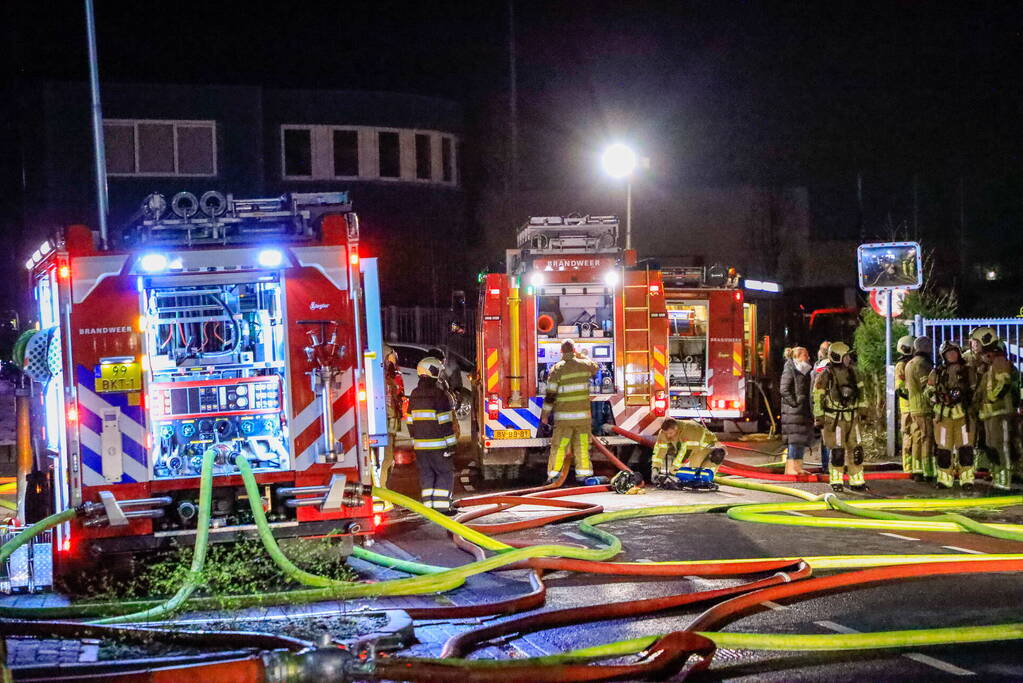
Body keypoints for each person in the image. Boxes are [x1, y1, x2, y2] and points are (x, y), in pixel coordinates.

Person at [540, 339, 598, 483]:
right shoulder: (584, 365)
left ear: (561, 352)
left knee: (560, 446)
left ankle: (554, 476)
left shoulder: (557, 369)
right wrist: (581, 356)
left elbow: (550, 395)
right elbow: (595, 367)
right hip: (583, 419)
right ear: (574, 350)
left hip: (564, 420)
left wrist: (545, 416)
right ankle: (583, 475)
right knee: (582, 445)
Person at [813, 341, 867, 492]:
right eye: (846, 356)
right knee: (837, 451)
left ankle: (857, 480)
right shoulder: (825, 375)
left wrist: (863, 409)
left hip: (853, 416)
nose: (849, 358)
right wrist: (819, 417)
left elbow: (862, 392)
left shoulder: (854, 373)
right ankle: (836, 480)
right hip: (834, 419)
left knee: (856, 450)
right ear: (838, 356)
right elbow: (817, 397)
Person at [406, 356, 458, 513]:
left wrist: (416, 439)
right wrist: (451, 444)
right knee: (445, 473)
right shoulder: (438, 395)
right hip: (439, 446)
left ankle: (428, 509)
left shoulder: (414, 394)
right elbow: (445, 423)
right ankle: (442, 509)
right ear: (434, 372)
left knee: (426, 475)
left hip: (420, 447)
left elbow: (410, 421)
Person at [972, 327, 1020, 491]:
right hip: (990, 414)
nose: (974, 346)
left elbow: (1004, 384)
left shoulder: (999, 362)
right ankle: (997, 478)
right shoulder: (990, 367)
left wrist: (992, 398)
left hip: (999, 413)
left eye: (976, 342)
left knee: (1000, 446)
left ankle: (1003, 481)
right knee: (992, 446)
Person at [927, 340, 976, 490]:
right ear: (943, 355)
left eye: (954, 352)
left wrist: (965, 396)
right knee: (943, 450)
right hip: (943, 416)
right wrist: (939, 397)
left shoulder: (968, 371)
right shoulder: (936, 372)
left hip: (964, 416)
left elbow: (976, 390)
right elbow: (928, 392)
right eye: (948, 353)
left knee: (966, 449)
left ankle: (966, 480)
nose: (952, 355)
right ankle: (944, 479)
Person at [650, 417, 725, 486]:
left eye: (670, 433)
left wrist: (673, 470)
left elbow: (686, 453)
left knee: (693, 470)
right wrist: (655, 468)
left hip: (706, 447)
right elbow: (660, 450)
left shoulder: (690, 429)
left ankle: (707, 479)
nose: (668, 436)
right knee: (687, 472)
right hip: (693, 449)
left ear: (676, 428)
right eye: (666, 433)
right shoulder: (664, 433)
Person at [779, 346, 813, 476]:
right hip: (792, 413)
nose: (808, 357)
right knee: (793, 441)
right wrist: (795, 403)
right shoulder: (790, 368)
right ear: (798, 356)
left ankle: (798, 468)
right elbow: (784, 389)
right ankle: (791, 468)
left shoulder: (805, 370)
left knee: (800, 441)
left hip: (801, 412)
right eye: (805, 355)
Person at [905, 336, 935, 482]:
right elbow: (927, 387)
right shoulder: (923, 364)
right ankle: (927, 470)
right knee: (927, 438)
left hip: (913, 407)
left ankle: (916, 469)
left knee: (917, 438)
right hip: (924, 407)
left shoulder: (909, 363)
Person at [894, 335, 916, 475]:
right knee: (908, 438)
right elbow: (900, 388)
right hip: (907, 408)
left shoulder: (912, 363)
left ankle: (914, 465)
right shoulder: (901, 366)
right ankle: (908, 468)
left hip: (915, 407)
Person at [813, 341, 832, 471]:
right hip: (830, 408)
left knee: (825, 438)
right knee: (832, 439)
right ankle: (830, 466)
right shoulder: (829, 367)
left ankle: (826, 466)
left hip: (821, 408)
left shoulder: (817, 367)